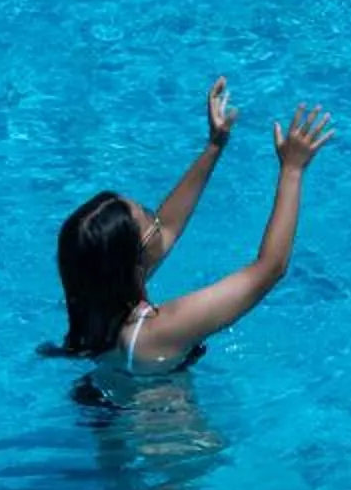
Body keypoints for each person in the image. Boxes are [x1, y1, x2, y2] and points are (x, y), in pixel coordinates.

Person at [40, 77, 332, 379]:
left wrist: (215, 145)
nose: (158, 220)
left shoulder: (94, 302)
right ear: (136, 260)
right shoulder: (159, 331)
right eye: (149, 218)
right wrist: (292, 170)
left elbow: (167, 225)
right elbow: (270, 268)